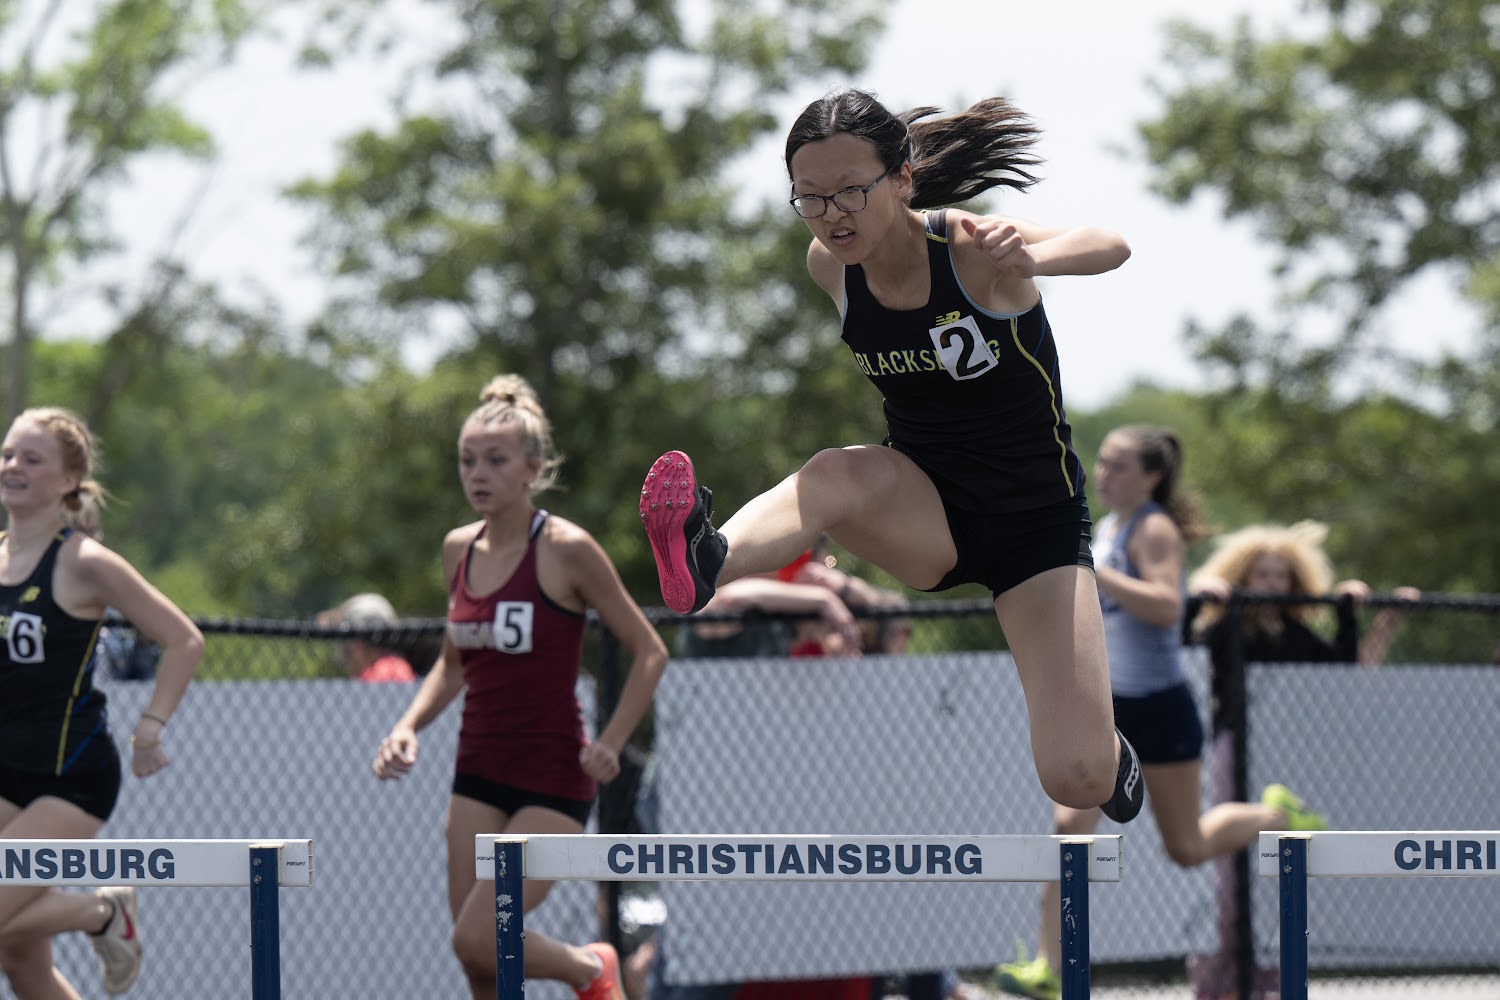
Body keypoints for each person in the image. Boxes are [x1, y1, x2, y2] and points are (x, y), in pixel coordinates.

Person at [639, 88, 1145, 826]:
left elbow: (1111, 243)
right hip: (923, 506)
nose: (832, 215)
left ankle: (1108, 752)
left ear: (902, 178)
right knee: (835, 472)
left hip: (1035, 526)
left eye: (851, 191)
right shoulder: (829, 267)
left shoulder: (970, 247)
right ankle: (706, 557)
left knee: (1076, 777)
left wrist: (1035, 254)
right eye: (810, 198)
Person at [995, 426, 1326, 1000]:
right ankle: (1051, 967)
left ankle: (1276, 813)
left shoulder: (1153, 529)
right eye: (1102, 462)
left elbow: (1167, 606)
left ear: (1152, 477)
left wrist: (1096, 572)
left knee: (1187, 847)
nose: (1104, 473)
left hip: (1161, 707)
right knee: (1069, 827)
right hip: (1107, 708)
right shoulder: (1105, 527)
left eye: (1119, 465)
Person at [372, 375, 669, 1000]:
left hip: (552, 778)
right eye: (467, 461)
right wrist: (406, 725)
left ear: (534, 469)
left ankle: (591, 969)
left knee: (481, 936)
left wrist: (612, 741)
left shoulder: (567, 549)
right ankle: (589, 971)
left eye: (496, 460)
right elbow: (453, 664)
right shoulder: (458, 550)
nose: (477, 474)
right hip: (477, 770)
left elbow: (649, 651)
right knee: (479, 962)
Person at [0, 407, 205, 997]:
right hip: (5, 771)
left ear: (69, 480)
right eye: (7, 454)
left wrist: (150, 727)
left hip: (68, 778)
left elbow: (184, 640)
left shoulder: (82, 562)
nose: (13, 466)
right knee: (21, 962)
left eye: (31, 459)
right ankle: (99, 914)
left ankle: (102, 911)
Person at [1182, 519, 1418, 1000]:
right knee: (1227, 878)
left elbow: (1345, 673)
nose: (1271, 584)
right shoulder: (1225, 628)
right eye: (1262, 574)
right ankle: (1219, 982)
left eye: (1280, 575)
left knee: (1278, 874)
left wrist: (1362, 615)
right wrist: (1198, 604)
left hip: (1286, 759)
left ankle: (1268, 983)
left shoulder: (1298, 635)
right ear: (1244, 578)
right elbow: (1182, 654)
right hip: (1234, 753)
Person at [317, 592, 417, 682]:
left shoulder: (387, 671)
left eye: (348, 637)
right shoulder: (394, 665)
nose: (344, 646)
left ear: (361, 643)